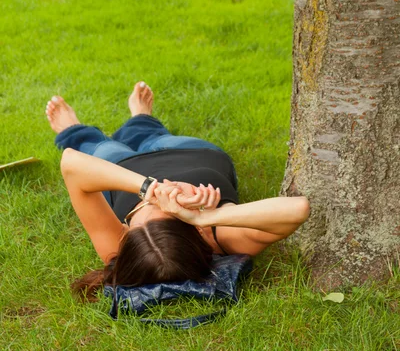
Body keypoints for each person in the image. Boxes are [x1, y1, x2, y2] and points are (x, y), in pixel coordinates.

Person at [46, 81, 310, 301]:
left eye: (143, 213)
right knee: (152, 138)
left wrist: (149, 188)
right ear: (194, 233)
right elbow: (297, 209)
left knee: (100, 149)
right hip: (193, 154)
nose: (165, 199)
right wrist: (206, 217)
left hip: (122, 167)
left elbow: (72, 165)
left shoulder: (117, 245)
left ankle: (75, 130)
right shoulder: (218, 236)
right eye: (172, 212)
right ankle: (141, 120)